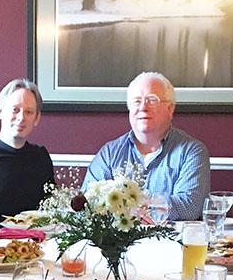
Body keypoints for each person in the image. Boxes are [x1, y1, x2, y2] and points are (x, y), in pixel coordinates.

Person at [82, 71, 209, 220]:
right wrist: (155, 207)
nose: (143, 107)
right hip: (116, 242)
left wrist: (124, 206)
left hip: (171, 242)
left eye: (152, 100)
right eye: (137, 101)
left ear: (170, 108)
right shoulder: (109, 153)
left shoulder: (191, 152)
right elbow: (88, 204)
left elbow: (189, 208)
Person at [0, 78, 56, 226]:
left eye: (29, 112)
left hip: (34, 244)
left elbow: (50, 208)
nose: (21, 118)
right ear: (0, 111)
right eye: (15, 109)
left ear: (37, 118)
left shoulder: (41, 157)